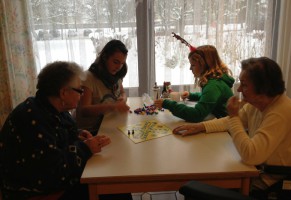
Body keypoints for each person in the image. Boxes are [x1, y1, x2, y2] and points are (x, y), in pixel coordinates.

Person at [0, 61, 131, 200]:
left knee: (114, 180)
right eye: (79, 90)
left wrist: (79, 135)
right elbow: (54, 171)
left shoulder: (51, 106)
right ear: (63, 93)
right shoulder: (33, 118)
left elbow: (61, 134)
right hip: (34, 192)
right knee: (113, 188)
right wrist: (85, 147)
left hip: (49, 179)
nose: (81, 94)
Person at [173, 57, 291, 199]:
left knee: (194, 184)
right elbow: (230, 121)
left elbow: (251, 155)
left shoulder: (280, 113)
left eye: (244, 85)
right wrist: (201, 126)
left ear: (263, 88)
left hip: (269, 186)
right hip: (256, 171)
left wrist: (233, 117)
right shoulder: (259, 103)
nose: (239, 89)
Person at [154, 45, 234, 122]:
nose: (190, 68)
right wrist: (191, 95)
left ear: (204, 65)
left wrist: (168, 104)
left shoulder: (214, 85)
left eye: (193, 65)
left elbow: (196, 115)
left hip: (227, 130)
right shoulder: (216, 81)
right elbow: (208, 97)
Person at [75, 39, 130, 135]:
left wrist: (122, 99)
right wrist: (112, 106)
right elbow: (83, 110)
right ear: (104, 57)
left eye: (122, 63)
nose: (119, 67)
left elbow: (122, 92)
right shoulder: (88, 78)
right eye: (116, 62)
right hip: (90, 131)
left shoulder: (116, 75)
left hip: (108, 123)